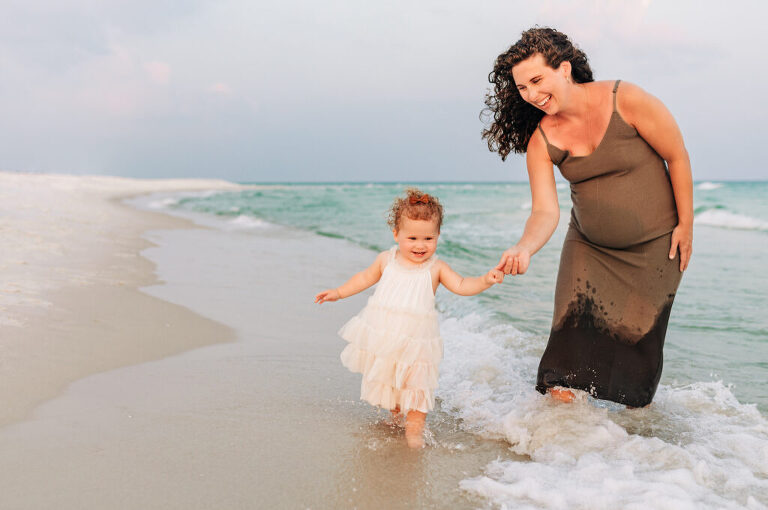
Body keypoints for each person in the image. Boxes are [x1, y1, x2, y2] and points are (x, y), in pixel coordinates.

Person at [483, 27, 693, 407]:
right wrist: (525, 247)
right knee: (563, 360)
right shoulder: (542, 141)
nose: (530, 94)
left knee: (635, 364)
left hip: (655, 251)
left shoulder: (625, 100)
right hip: (588, 249)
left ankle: (626, 443)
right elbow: (544, 211)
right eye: (522, 87)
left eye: (537, 80)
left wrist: (686, 225)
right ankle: (567, 438)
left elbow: (676, 155)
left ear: (564, 69)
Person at [315, 188, 504, 447]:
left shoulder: (436, 268)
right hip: (388, 339)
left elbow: (462, 285)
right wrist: (339, 292)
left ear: (438, 236)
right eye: (412, 237)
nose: (420, 245)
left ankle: (414, 432)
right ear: (396, 234)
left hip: (418, 344)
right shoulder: (386, 260)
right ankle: (395, 418)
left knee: (417, 387)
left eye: (428, 238)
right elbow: (364, 278)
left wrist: (485, 280)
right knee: (392, 380)